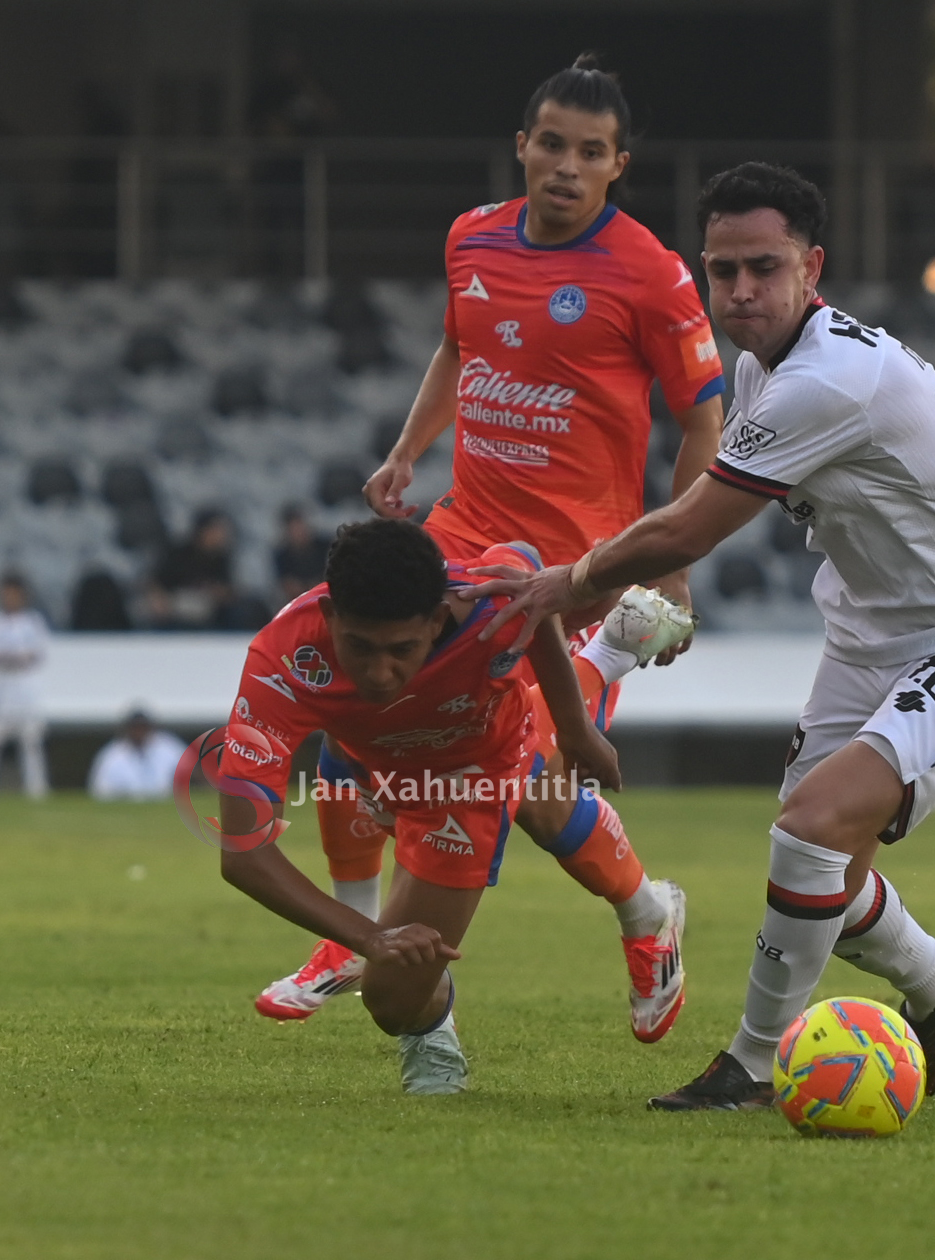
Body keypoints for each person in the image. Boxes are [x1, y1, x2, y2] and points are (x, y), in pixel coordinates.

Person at [465, 162, 935, 1112]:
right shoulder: (767, 365)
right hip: (870, 630)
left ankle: (750, 1064)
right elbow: (703, 509)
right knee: (825, 870)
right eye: (722, 270)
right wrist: (661, 588)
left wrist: (563, 584)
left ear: (811, 267)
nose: (741, 290)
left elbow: (691, 527)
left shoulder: (827, 380)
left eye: (764, 267)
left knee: (812, 827)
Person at [260, 54, 723, 1039]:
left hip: (574, 573)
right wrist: (405, 452)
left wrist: (671, 566)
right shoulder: (471, 236)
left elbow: (703, 422)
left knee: (517, 777)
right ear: (522, 146)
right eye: (551, 144)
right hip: (460, 542)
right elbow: (458, 347)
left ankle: (646, 912)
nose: (566, 167)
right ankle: (350, 933)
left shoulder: (650, 272)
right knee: (360, 694)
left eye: (589, 153)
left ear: (618, 166)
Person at [212, 518, 623, 1094]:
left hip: (472, 776)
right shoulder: (282, 659)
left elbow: (532, 589)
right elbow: (243, 853)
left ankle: (613, 652)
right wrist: (369, 938)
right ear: (330, 617)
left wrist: (576, 729)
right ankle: (427, 1024)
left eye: (402, 650)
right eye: (360, 647)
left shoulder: (488, 604)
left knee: (390, 1000)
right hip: (376, 766)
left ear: (436, 620)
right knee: (393, 977)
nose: (380, 672)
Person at [0, 572, 50, 800]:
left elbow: (37, 654)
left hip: (25, 688)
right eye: (6, 594)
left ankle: (37, 790)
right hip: (1, 688)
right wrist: (12, 659)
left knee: (31, 741)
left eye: (14, 594)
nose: (10, 598)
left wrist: (12, 658)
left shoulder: (33, 622)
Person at [147, 508, 271, 631]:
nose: (222, 536)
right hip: (176, 606)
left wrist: (218, 593)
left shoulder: (222, 558)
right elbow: (154, 581)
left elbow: (228, 590)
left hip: (210, 609)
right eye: (217, 530)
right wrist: (160, 599)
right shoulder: (179, 554)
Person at [88, 708, 185, 801]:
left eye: (143, 727)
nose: (139, 732)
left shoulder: (168, 747)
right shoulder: (112, 755)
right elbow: (100, 791)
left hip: (164, 804)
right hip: (126, 806)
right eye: (135, 727)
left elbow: (189, 770)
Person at [272, 504, 331, 604]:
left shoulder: (324, 546)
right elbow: (287, 584)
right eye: (294, 529)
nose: (300, 532)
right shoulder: (282, 556)